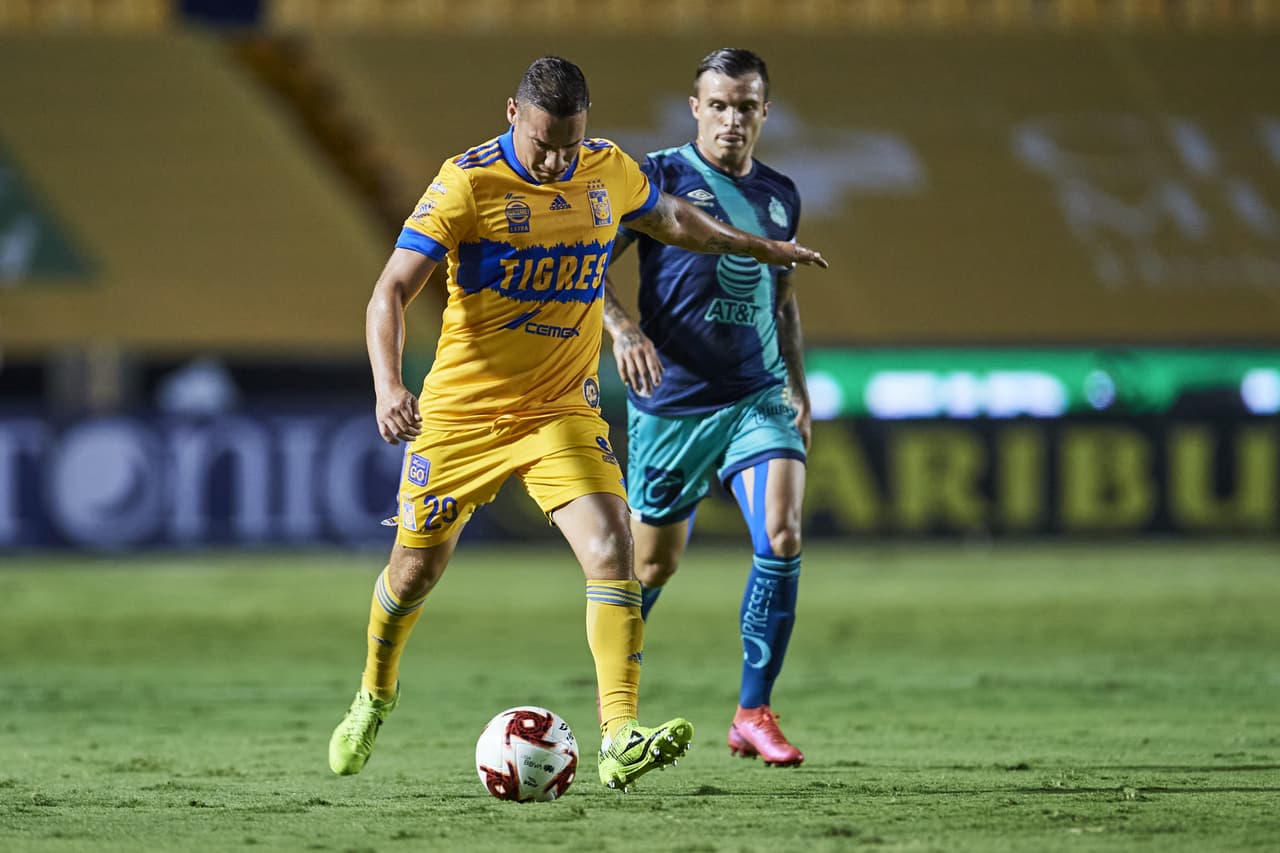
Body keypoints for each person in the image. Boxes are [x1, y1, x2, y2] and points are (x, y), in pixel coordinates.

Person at [329, 56, 827, 791]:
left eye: (570, 144)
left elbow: (673, 219)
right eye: (542, 145)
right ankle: (374, 692)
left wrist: (756, 246)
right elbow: (390, 292)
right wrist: (386, 384)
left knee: (614, 547)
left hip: (560, 408)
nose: (557, 159)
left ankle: (619, 735)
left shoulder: (606, 170)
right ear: (511, 114)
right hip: (463, 416)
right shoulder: (467, 182)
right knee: (413, 572)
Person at [602, 49, 811, 767]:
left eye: (745, 106)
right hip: (672, 404)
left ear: (764, 112)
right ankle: (614, 708)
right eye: (718, 104)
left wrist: (799, 388)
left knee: (781, 535)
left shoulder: (782, 193)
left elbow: (783, 304)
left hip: (756, 397)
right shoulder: (653, 178)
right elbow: (588, 268)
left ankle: (754, 708)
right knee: (651, 568)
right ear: (694, 107)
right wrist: (623, 328)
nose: (731, 118)